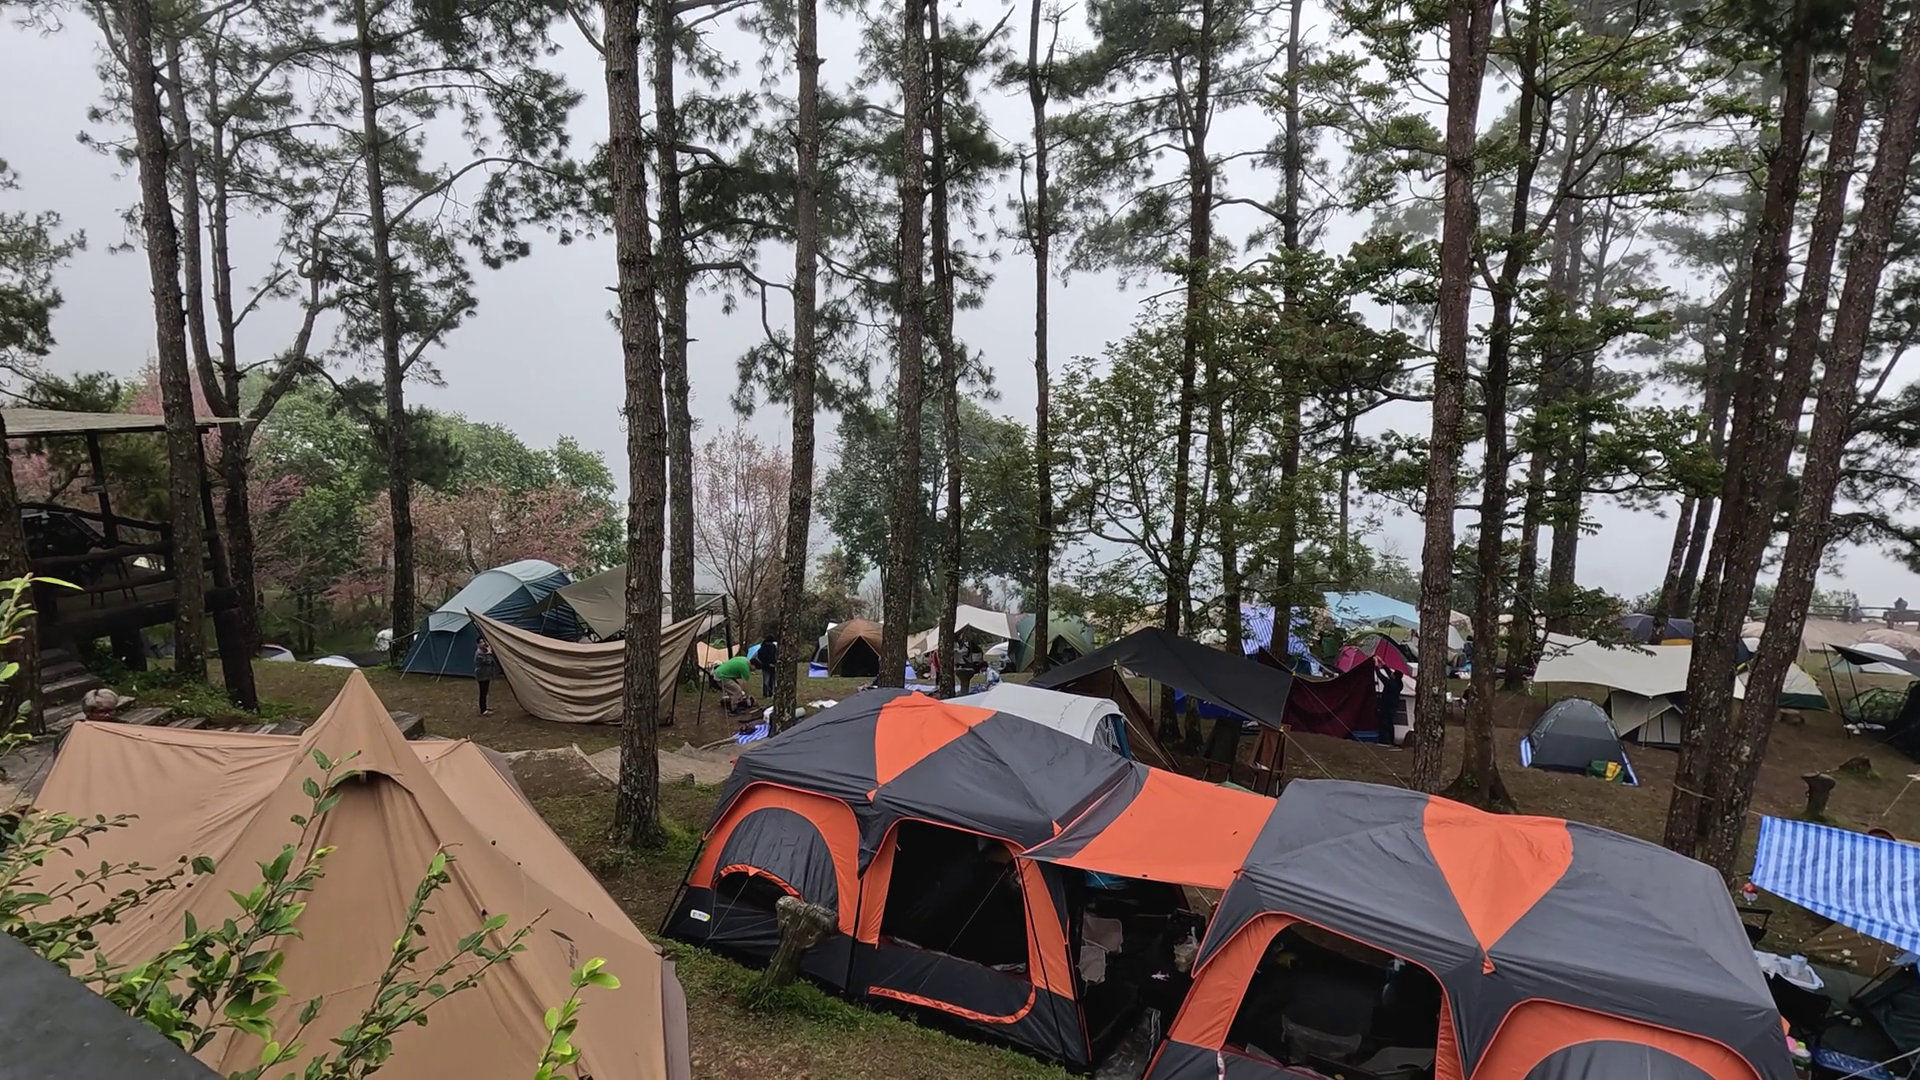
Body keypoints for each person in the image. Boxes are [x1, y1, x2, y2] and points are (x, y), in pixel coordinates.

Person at [1377, 666, 1404, 747]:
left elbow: (1380, 676)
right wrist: (1384, 665)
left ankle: (1384, 740)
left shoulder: (1390, 684)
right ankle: (1391, 740)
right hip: (1393, 707)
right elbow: (1390, 674)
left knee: (1384, 723)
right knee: (1390, 724)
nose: (1391, 674)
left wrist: (1376, 667)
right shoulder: (1399, 684)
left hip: (1386, 706)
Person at [473, 636, 498, 716]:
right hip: (482, 675)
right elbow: (488, 661)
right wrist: (489, 652)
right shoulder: (479, 653)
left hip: (486, 674)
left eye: (484, 641)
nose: (483, 643)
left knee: (485, 691)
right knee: (483, 692)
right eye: (481, 642)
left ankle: (485, 707)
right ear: (478, 644)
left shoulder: (484, 651)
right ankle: (483, 710)